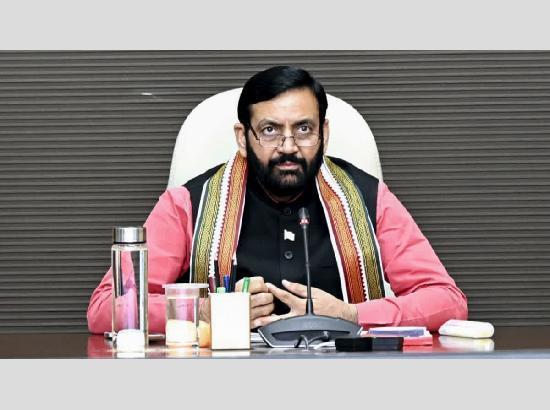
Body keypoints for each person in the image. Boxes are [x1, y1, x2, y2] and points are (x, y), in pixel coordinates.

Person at [87, 66, 467, 335]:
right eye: (270, 130)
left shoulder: (369, 198)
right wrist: (204, 312)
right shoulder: (188, 204)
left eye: (303, 129)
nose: (288, 147)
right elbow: (106, 308)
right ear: (243, 137)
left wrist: (351, 315)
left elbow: (448, 301)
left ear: (324, 133)